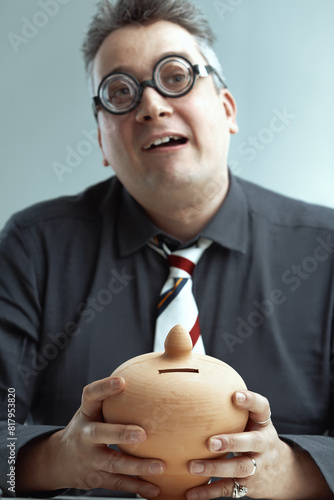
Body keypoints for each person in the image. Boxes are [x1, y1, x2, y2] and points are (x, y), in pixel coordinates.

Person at [0, 0, 333, 498]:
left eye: (175, 76)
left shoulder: (324, 253)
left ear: (226, 109)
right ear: (101, 142)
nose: (151, 105)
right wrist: (56, 458)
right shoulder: (33, 248)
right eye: (120, 92)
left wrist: (292, 472)